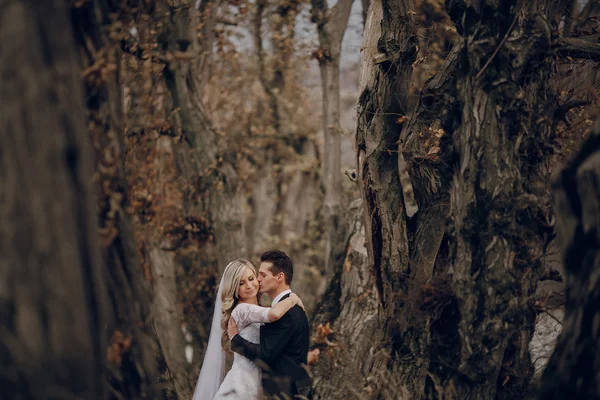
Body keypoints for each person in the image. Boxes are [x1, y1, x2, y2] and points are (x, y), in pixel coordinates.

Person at [193, 258, 304, 400]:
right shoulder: (242, 310)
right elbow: (274, 314)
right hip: (238, 388)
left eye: (251, 278)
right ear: (234, 289)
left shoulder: (258, 310)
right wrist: (293, 299)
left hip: (254, 387)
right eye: (241, 283)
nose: (249, 285)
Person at [228, 250, 312, 399]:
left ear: (279, 277)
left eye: (263, 275)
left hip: (288, 391)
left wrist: (235, 340)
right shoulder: (283, 307)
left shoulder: (286, 313)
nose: (258, 280)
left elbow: (266, 354)